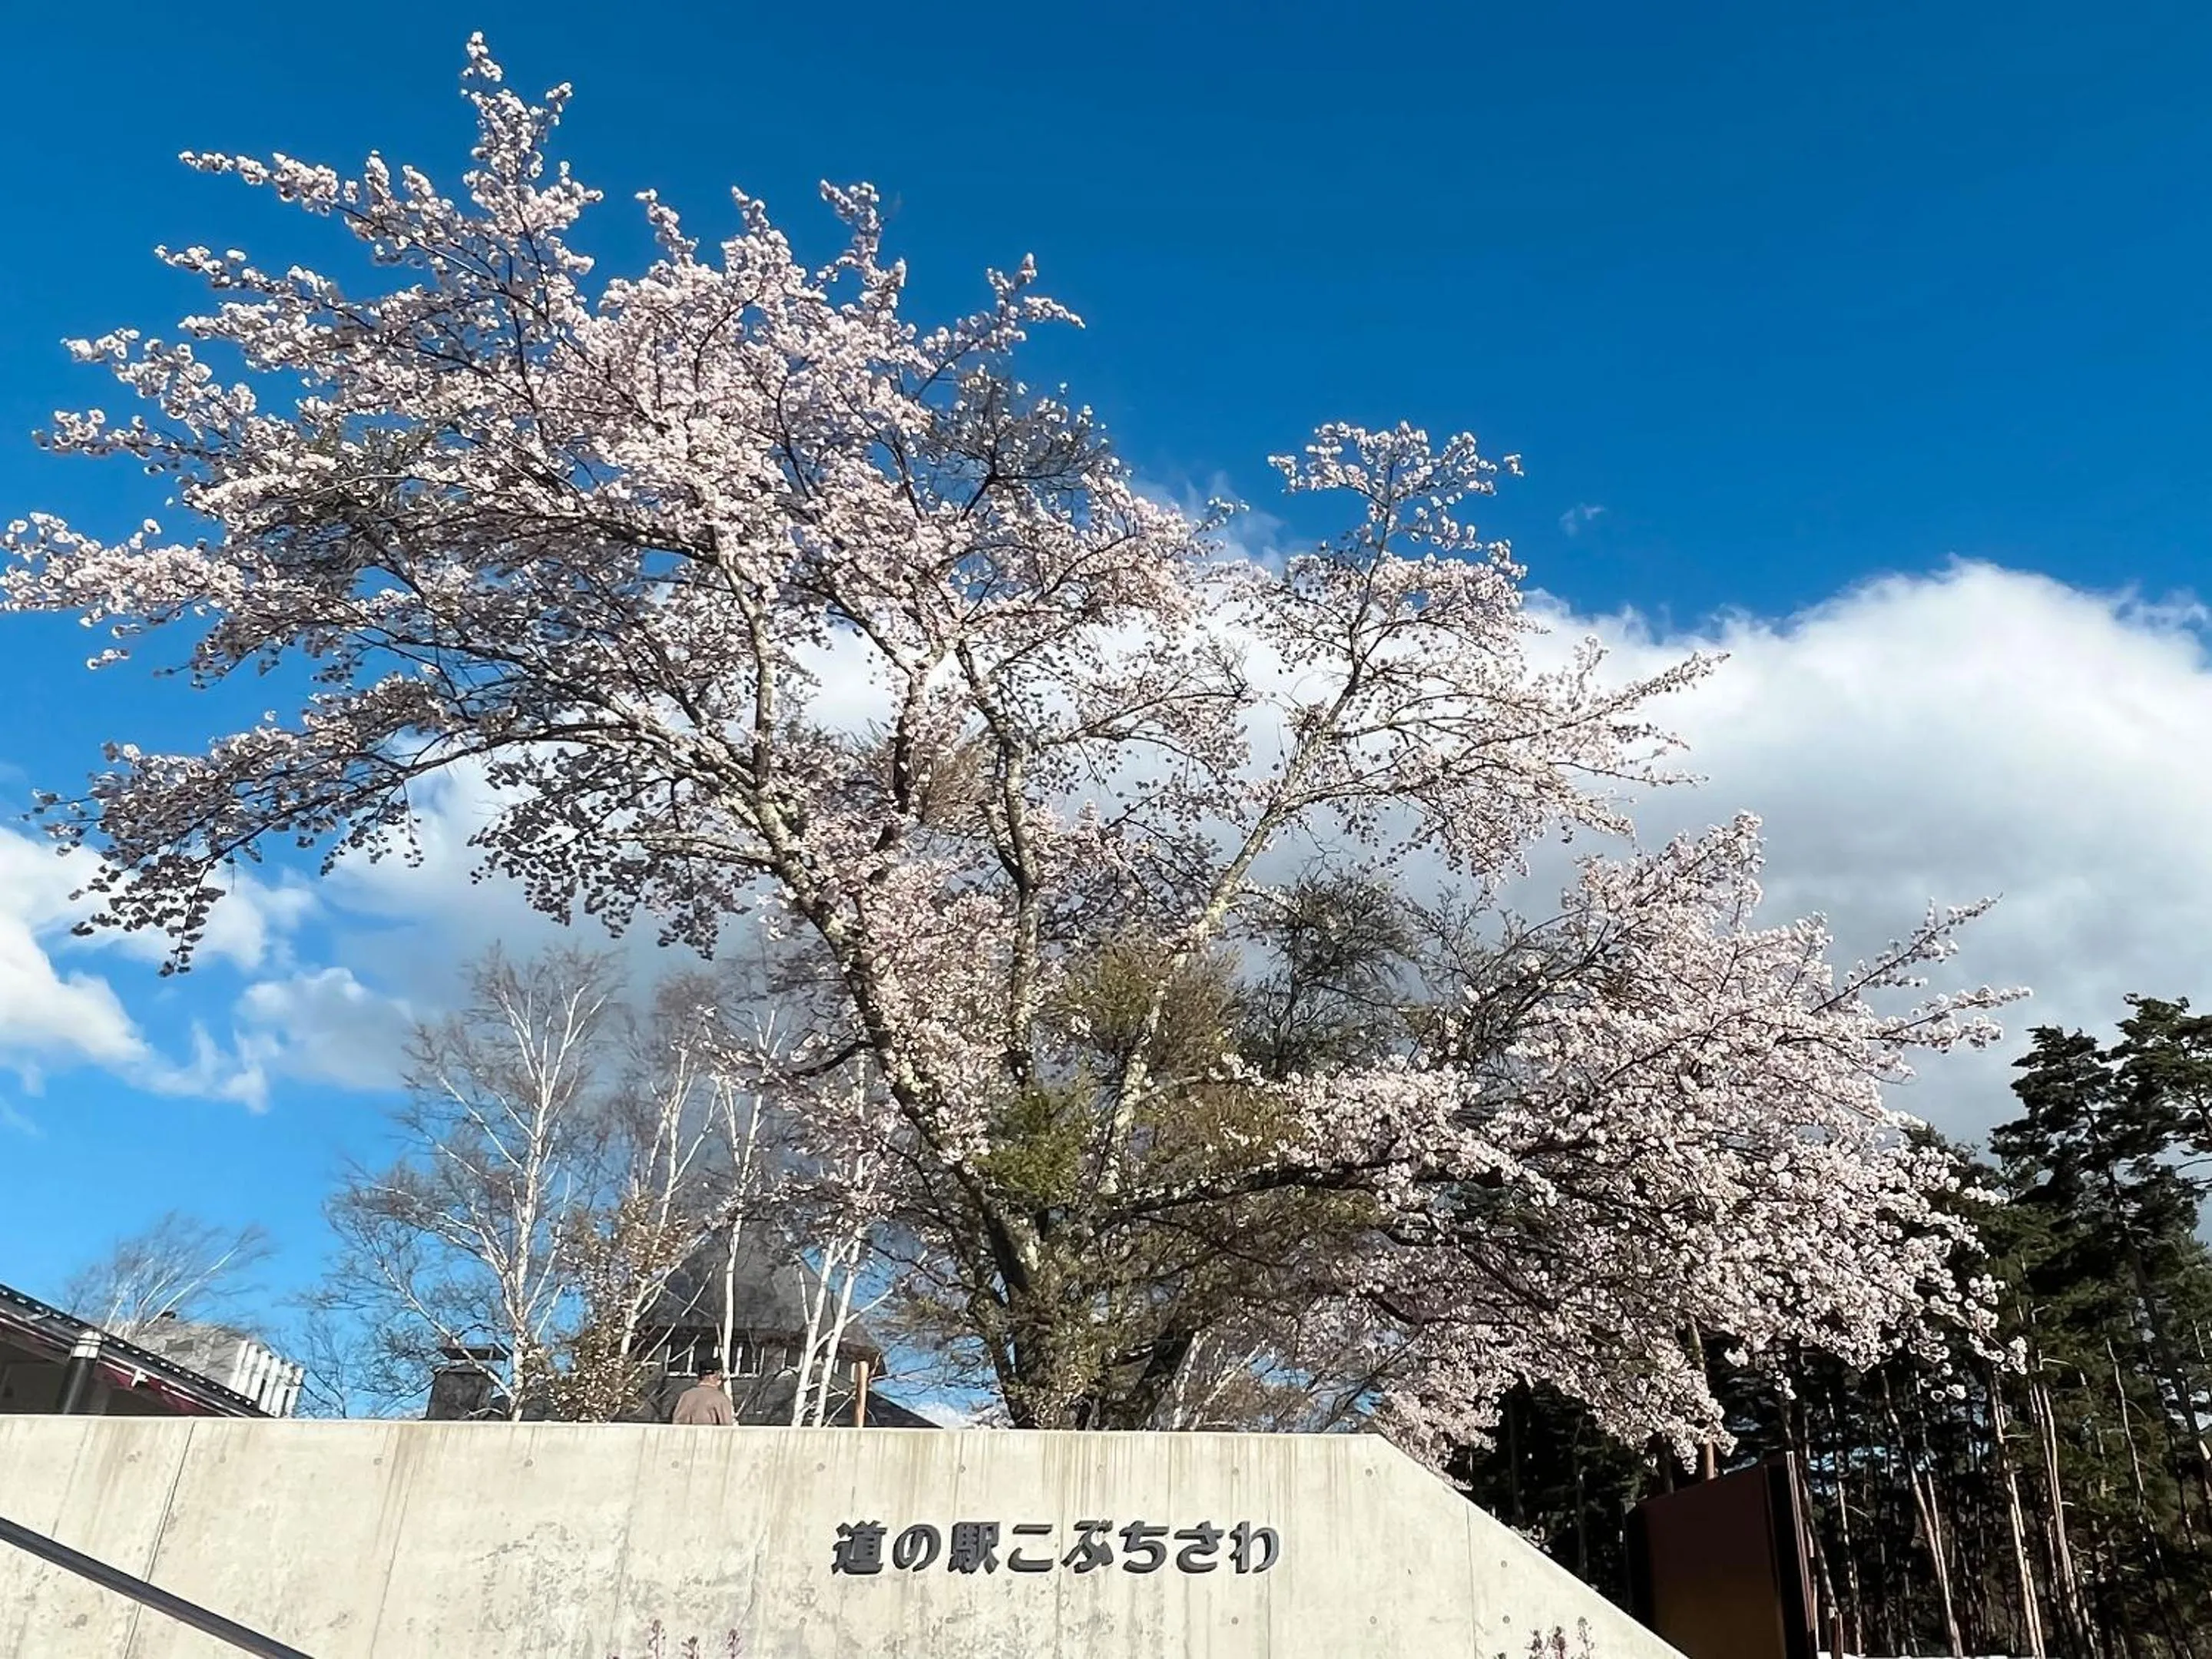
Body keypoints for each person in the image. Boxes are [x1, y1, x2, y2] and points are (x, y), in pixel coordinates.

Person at [671, 1362, 736, 1426]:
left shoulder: (685, 1396)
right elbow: (727, 1428)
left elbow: (677, 1425)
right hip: (711, 1433)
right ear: (717, 1376)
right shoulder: (721, 1399)